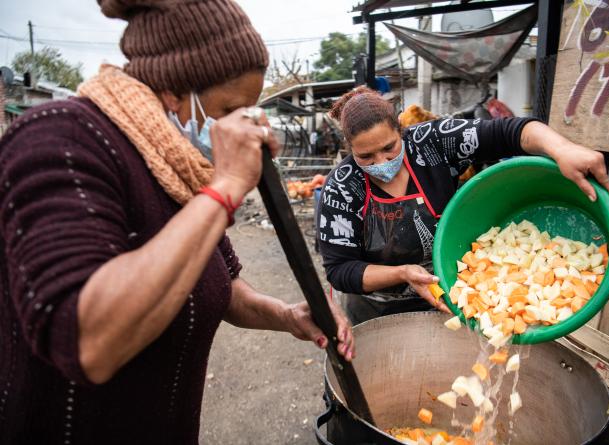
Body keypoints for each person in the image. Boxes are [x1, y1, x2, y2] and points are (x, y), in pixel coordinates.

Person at [0, 1, 354, 444]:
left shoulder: (174, 164)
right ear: (173, 90)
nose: (241, 126)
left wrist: (286, 315)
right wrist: (224, 188)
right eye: (229, 110)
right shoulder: (61, 139)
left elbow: (219, 286)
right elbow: (86, 341)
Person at [317, 87, 609, 325]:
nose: (382, 163)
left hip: (448, 290)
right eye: (366, 156)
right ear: (349, 148)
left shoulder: (432, 143)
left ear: (401, 130)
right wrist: (402, 273)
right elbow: (341, 270)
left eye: (389, 148)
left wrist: (563, 149)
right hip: (376, 308)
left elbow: (511, 132)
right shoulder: (342, 188)